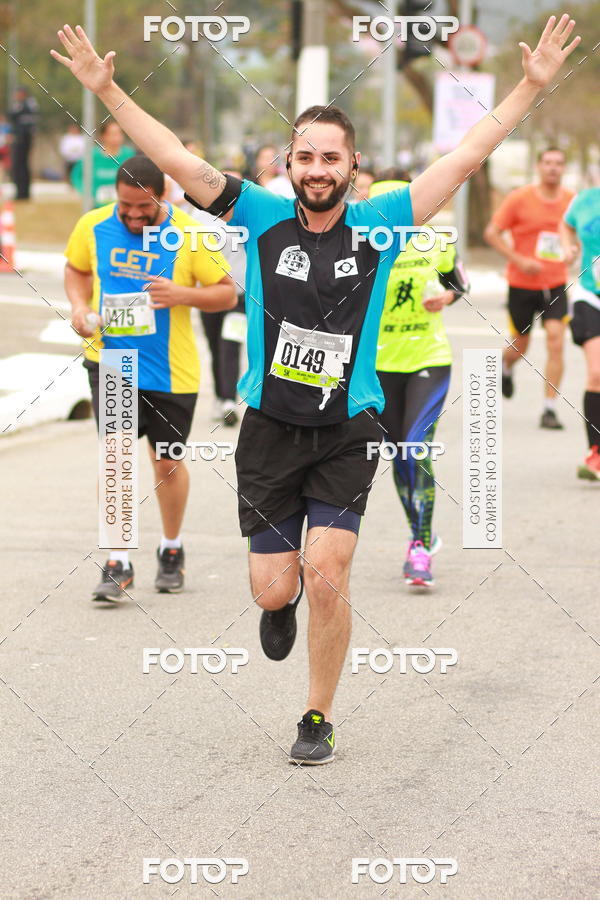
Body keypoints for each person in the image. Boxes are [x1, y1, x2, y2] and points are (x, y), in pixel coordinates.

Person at [52, 14, 580, 762]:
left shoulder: (383, 223)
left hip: (347, 428)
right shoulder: (259, 214)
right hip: (269, 431)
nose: (317, 168)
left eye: (331, 156)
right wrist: (107, 92)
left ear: (353, 165)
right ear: (291, 166)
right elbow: (175, 155)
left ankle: (317, 715)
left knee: (328, 574)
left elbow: (465, 157)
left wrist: (528, 86)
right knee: (275, 588)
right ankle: (281, 602)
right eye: (305, 156)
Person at [64, 154, 236, 601]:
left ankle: (171, 547)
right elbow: (77, 270)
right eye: (126, 208)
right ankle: (118, 561)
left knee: (167, 463)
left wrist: (182, 294)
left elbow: (226, 293)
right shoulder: (93, 225)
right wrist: (80, 309)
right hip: (113, 361)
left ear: (163, 196)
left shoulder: (189, 234)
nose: (134, 216)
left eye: (144, 208)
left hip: (172, 371)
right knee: (117, 458)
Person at [370, 171, 469, 587]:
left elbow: (458, 282)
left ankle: (420, 545)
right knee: (398, 453)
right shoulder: (362, 245)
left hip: (428, 358)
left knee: (415, 447)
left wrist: (447, 296)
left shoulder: (436, 242)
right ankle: (419, 534)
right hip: (378, 366)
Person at [484, 147, 574, 429]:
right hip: (522, 283)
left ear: (563, 168)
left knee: (556, 341)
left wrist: (573, 249)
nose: (553, 168)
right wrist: (518, 259)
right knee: (520, 344)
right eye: (547, 162)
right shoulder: (519, 198)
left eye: (558, 163)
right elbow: (491, 233)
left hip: (556, 281)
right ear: (538, 166)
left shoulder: (572, 201)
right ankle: (506, 366)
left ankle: (549, 409)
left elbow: (580, 234)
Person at [194, 168, 247, 427]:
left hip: (239, 296)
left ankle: (229, 399)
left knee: (230, 343)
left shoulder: (248, 214)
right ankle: (219, 396)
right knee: (215, 346)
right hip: (209, 293)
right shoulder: (199, 215)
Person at [560, 187, 600, 479]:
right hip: (590, 296)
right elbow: (566, 223)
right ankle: (596, 454)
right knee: (597, 373)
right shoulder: (585, 199)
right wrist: (568, 247)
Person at [70, 119, 135, 206]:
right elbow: (76, 175)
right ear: (103, 136)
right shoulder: (92, 155)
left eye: (119, 134)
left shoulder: (129, 155)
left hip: (121, 209)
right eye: (113, 134)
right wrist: (84, 193)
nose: (117, 137)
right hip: (97, 207)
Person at [7, 87, 38, 200]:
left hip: (23, 139)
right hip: (20, 138)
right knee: (19, 166)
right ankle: (21, 192)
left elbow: (13, 115)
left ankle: (23, 193)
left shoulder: (28, 104)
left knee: (21, 165)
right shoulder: (22, 105)